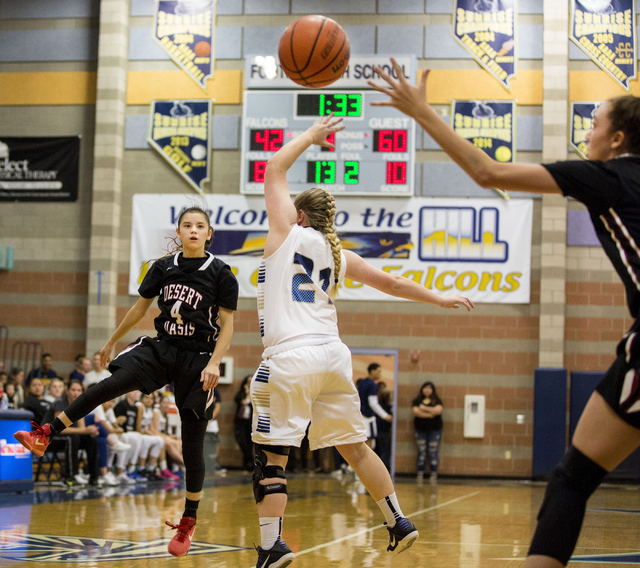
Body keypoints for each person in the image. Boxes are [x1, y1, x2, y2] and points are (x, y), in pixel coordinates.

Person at [370, 59, 640, 568]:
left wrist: (422, 113)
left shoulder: (609, 178)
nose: (588, 130)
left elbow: (487, 171)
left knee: (573, 477)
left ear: (619, 138)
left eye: (595, 123)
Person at [249, 113, 474, 568]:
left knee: (272, 459)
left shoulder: (284, 235)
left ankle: (272, 546)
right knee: (356, 447)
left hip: (289, 356)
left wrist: (311, 137)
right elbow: (392, 285)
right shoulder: (340, 255)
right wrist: (440, 298)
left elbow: (273, 169)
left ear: (300, 214)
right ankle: (397, 521)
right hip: (333, 356)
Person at [13, 206, 239, 558]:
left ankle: (188, 520)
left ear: (209, 234)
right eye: (187, 225)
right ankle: (46, 434)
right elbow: (139, 309)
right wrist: (111, 340)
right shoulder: (163, 267)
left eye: (200, 226)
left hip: (197, 358)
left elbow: (228, 326)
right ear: (178, 231)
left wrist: (214, 363)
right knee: (105, 387)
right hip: (163, 347)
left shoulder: (222, 273)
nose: (193, 230)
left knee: (192, 444)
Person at [41, 380, 100, 486]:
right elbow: (58, 428)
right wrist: (85, 430)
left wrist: (88, 431)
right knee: (73, 437)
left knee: (90, 439)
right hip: (47, 438)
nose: (76, 393)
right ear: (67, 391)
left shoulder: (80, 404)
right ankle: (71, 476)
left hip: (67, 436)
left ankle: (94, 476)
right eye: (73, 390)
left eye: (78, 390)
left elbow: (81, 429)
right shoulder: (60, 402)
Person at [412, 382, 443, 484]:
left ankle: (433, 473)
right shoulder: (417, 401)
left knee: (433, 451)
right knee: (422, 451)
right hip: (420, 430)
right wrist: (430, 414)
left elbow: (438, 411)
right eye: (425, 388)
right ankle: (420, 473)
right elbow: (417, 412)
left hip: (434, 430)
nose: (427, 390)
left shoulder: (437, 400)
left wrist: (424, 408)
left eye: (429, 388)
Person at [356, 363, 391, 450]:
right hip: (368, 418)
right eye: (378, 371)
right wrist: (385, 416)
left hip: (359, 416)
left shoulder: (361, 383)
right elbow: (373, 403)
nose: (380, 374)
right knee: (369, 446)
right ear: (372, 371)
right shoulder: (372, 385)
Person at [234, 375, 254, 471]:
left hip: (251, 422)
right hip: (241, 421)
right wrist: (246, 392)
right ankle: (251, 462)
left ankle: (247, 465)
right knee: (242, 441)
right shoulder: (242, 392)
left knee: (250, 443)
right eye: (248, 381)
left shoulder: (255, 392)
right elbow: (237, 399)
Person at [375, 382, 393, 472]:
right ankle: (382, 470)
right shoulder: (387, 407)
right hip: (383, 432)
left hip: (379, 431)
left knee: (380, 451)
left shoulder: (379, 406)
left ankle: (380, 469)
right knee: (385, 451)